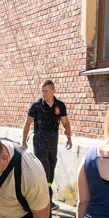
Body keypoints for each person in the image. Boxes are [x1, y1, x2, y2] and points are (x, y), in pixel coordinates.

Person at [21, 80, 72, 209]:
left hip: (53, 141)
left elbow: (66, 123)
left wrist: (69, 138)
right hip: (39, 141)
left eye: (46, 91)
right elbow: (27, 124)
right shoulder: (36, 105)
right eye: (42, 91)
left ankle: (42, 198)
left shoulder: (59, 105)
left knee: (51, 168)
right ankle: (47, 201)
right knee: (44, 169)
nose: (43, 94)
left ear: (53, 91)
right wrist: (23, 141)